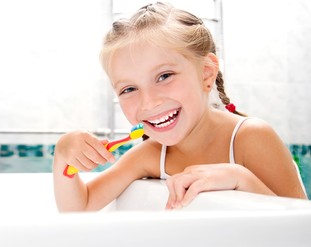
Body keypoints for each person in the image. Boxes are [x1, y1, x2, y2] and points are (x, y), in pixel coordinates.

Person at [53, 2, 307, 212]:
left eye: (164, 76)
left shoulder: (251, 138)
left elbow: (300, 230)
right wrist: (63, 154)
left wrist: (241, 178)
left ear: (206, 73)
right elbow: (79, 209)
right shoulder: (150, 154)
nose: (149, 102)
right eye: (129, 89)